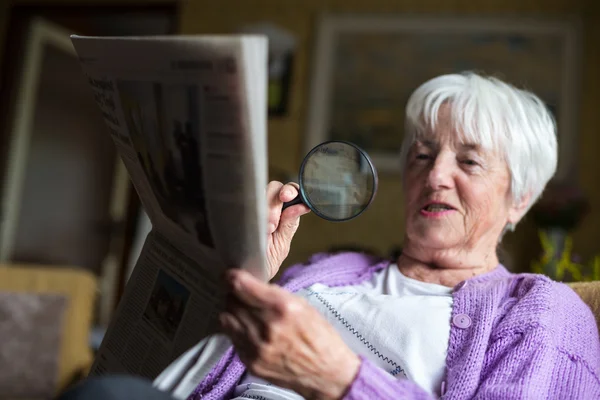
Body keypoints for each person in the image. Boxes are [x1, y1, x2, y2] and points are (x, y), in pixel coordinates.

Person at [187, 72, 600, 399]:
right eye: (422, 155)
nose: (435, 175)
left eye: (470, 162)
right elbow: (182, 361)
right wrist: (241, 271)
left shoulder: (547, 313)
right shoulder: (329, 269)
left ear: (521, 198)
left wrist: (342, 380)